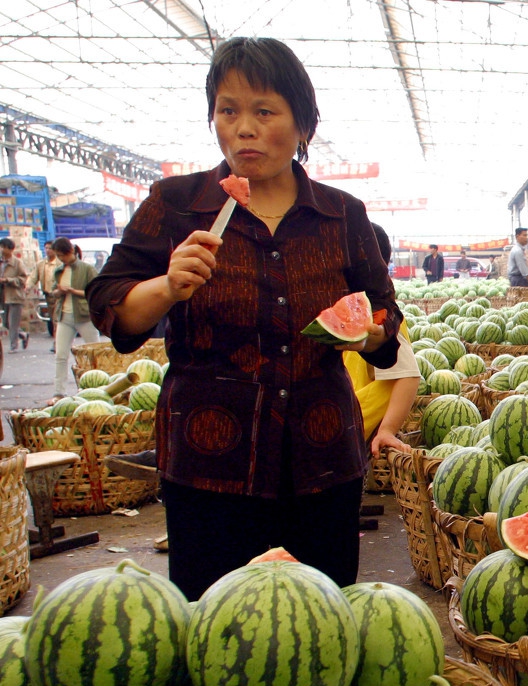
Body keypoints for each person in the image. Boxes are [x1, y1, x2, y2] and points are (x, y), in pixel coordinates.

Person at [86, 36, 401, 600]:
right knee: (212, 624)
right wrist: (166, 285)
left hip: (322, 461)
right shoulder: (176, 203)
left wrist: (373, 332)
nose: (243, 127)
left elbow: (382, 312)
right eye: (228, 110)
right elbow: (112, 308)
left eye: (264, 111)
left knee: (321, 621)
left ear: (302, 125)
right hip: (210, 465)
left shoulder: (342, 214)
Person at [345, 224, 417, 457]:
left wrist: (387, 430)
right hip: (334, 415)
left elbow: (409, 375)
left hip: (353, 423)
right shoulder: (348, 306)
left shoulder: (381, 315)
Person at [50, 237, 99, 400]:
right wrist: (58, 292)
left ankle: (97, 387)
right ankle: (59, 392)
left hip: (85, 316)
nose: (60, 259)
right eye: (58, 256)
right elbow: (53, 291)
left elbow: (95, 291)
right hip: (65, 316)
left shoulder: (87, 269)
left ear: (70, 252)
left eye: (62, 255)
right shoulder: (59, 271)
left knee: (94, 354)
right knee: (61, 355)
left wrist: (72, 290)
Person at [1, 238, 30, 353]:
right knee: (6, 323)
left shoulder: (17, 263)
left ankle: (14, 346)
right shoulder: (1, 262)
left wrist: (7, 280)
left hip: (14, 296)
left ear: (10, 249)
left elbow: (23, 279)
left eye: (3, 247)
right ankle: (23, 334)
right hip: (2, 296)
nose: (1, 249)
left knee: (13, 323)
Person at [28, 240, 57, 342]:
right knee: (53, 319)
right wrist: (27, 287)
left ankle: (57, 342)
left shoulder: (60, 263)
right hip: (48, 295)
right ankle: (57, 341)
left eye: (50, 248)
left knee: (57, 319)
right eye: (46, 248)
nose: (48, 250)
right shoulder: (41, 264)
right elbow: (33, 277)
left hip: (59, 295)